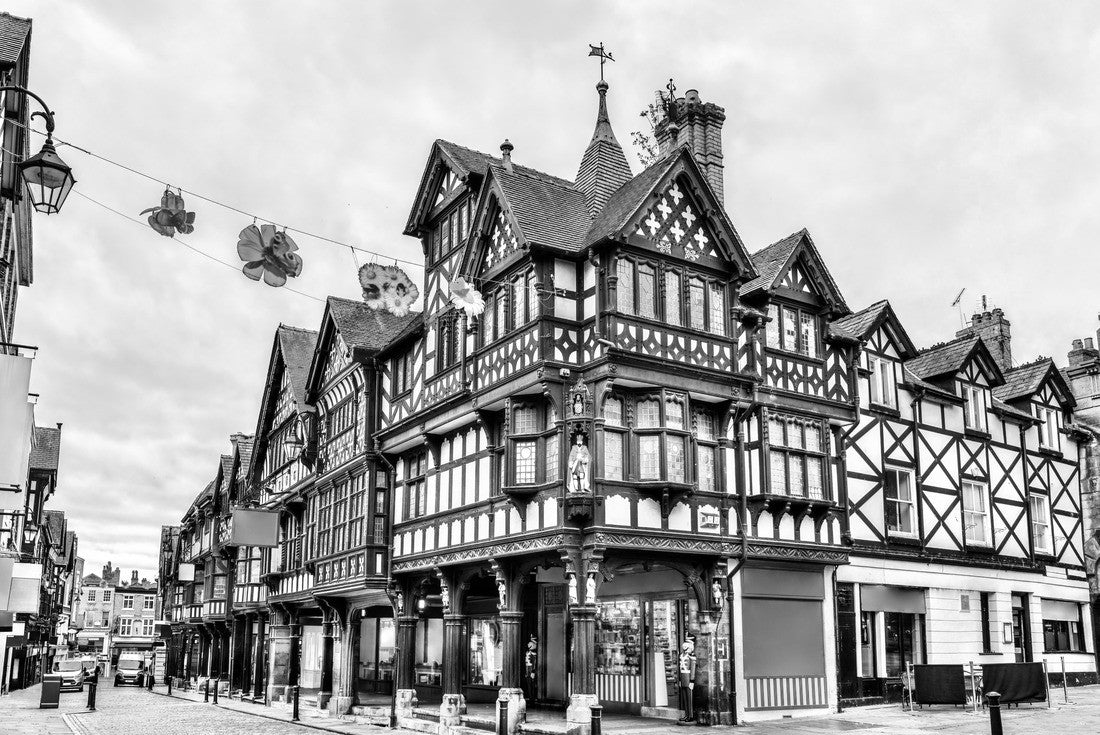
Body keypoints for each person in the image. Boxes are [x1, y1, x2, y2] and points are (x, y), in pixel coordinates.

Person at [678, 640, 696, 723]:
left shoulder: (692, 657)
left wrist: (692, 680)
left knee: (689, 697)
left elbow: (693, 669)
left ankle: (690, 715)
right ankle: (686, 714)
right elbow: (680, 668)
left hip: (688, 677)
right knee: (685, 697)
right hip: (683, 677)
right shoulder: (682, 655)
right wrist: (679, 680)